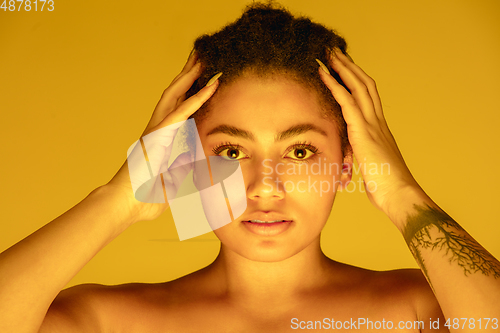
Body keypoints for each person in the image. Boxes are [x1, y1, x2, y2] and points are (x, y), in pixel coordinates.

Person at [1, 2, 499, 332]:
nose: (265, 187)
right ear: (184, 164)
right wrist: (119, 199)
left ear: (348, 164)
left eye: (300, 151)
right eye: (231, 152)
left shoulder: (416, 312)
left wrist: (401, 192)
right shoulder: (108, 321)